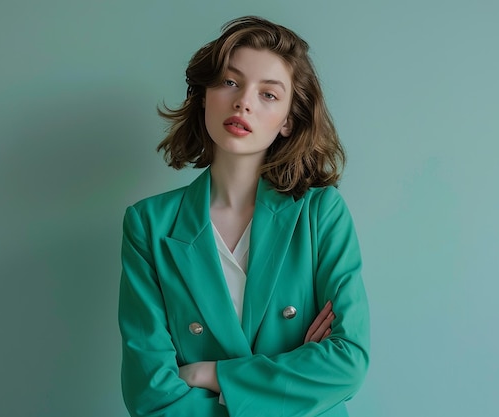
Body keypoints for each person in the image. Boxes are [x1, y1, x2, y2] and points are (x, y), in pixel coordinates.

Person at [118, 16, 369, 417]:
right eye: (230, 82)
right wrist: (290, 379)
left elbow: (348, 363)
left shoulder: (321, 213)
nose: (243, 102)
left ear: (288, 119)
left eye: (269, 94)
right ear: (204, 95)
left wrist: (213, 374)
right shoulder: (149, 225)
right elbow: (149, 394)